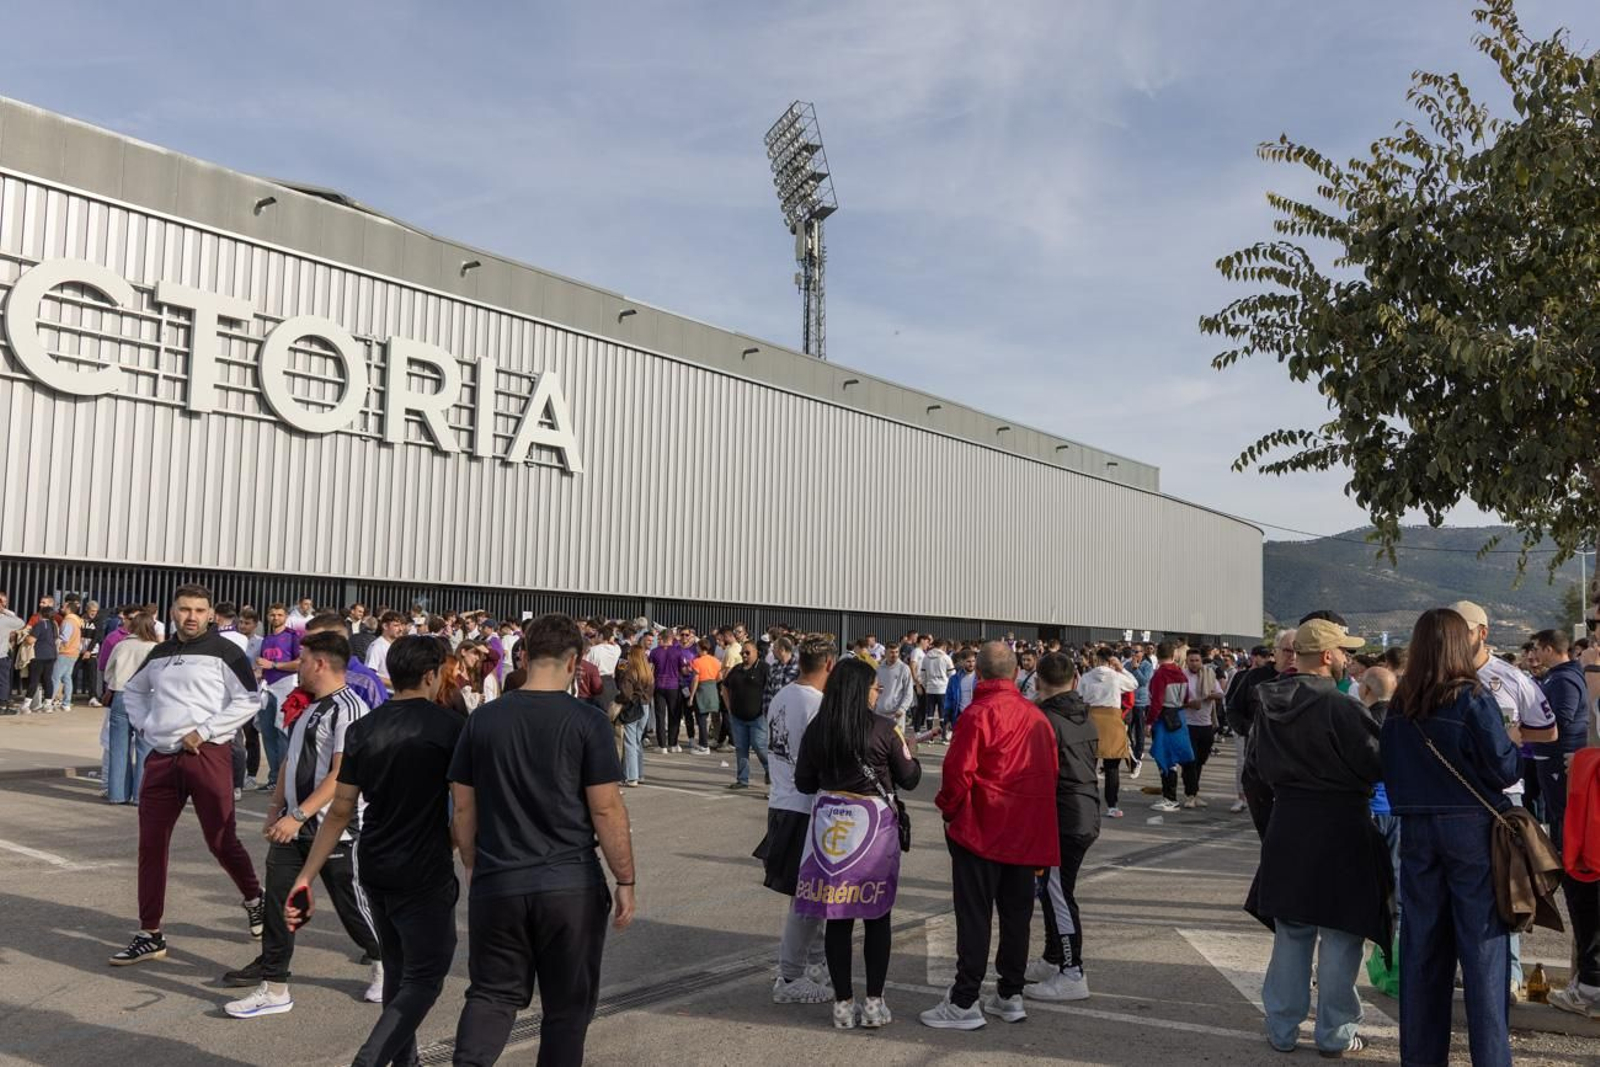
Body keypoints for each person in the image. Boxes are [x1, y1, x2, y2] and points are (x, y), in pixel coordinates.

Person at [448, 614, 636, 1066]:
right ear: (575, 662)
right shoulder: (586, 723)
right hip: (568, 884)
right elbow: (606, 808)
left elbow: (463, 806)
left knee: (492, 995)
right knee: (566, 1010)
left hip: (498, 881)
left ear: (525, 655)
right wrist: (624, 878)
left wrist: (472, 863)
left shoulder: (483, 721)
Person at [284, 636, 465, 1064]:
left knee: (400, 976)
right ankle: (371, 1059)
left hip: (375, 862)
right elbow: (465, 809)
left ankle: (406, 1062)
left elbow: (339, 810)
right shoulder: (451, 729)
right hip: (424, 867)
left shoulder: (364, 728)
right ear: (430, 674)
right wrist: (460, 847)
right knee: (427, 977)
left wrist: (306, 876)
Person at [1382, 608, 1520, 1067]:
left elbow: (1390, 768)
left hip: (1417, 827)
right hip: (1471, 830)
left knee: (1422, 948)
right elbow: (1503, 771)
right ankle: (1490, 1059)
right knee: (1483, 952)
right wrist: (1514, 742)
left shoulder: (1401, 704)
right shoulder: (1472, 698)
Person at [1244, 618, 1385, 1057]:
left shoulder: (1266, 703)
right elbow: (1377, 764)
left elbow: (1253, 772)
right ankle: (1336, 1033)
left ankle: (1282, 1028)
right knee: (1342, 934)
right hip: (1342, 823)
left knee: (1292, 930)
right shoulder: (1343, 708)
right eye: (1344, 651)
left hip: (1288, 821)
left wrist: (1271, 824)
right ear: (1327, 656)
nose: (1348, 659)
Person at [223, 630, 381, 1016]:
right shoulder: (309, 708)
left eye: (304, 659)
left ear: (321, 663)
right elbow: (291, 763)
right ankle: (275, 987)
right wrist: (275, 809)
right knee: (278, 902)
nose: (299, 666)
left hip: (333, 828)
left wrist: (299, 815)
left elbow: (342, 775)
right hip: (293, 826)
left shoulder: (351, 709)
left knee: (351, 905)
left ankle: (386, 961)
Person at [110, 584, 265, 966]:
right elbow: (133, 692)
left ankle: (255, 899)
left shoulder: (226, 651)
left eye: (199, 610)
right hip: (162, 758)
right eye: (184, 609)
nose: (191, 616)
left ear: (211, 614)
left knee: (220, 840)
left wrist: (207, 731)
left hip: (207, 755)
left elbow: (248, 698)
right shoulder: (160, 653)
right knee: (151, 845)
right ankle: (150, 933)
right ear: (172, 612)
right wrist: (148, 726)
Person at [922, 641, 1059, 1030]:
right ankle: (1009, 993)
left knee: (975, 915)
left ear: (977, 673)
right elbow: (1050, 772)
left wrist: (950, 812)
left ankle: (965, 999)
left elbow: (957, 774)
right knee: (1018, 916)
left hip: (982, 828)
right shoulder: (1036, 718)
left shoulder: (978, 714)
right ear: (1016, 673)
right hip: (1027, 830)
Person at [793, 657, 921, 1029]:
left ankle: (843, 1004)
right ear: (858, 689)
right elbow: (909, 778)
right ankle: (875, 1002)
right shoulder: (884, 729)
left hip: (832, 829)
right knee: (877, 913)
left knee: (838, 916)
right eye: (873, 684)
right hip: (874, 829)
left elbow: (803, 782)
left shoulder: (818, 729)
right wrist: (910, 750)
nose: (878, 689)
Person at [763, 635, 838, 1005]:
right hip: (804, 804)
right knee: (807, 896)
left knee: (812, 895)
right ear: (829, 665)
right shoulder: (817, 704)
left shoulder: (783, 695)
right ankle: (790, 976)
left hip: (782, 799)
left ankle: (814, 962)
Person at [1024, 652, 1100, 1001]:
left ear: (1037, 681)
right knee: (1054, 890)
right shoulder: (1084, 715)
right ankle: (1054, 957)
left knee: (1057, 895)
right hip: (1084, 811)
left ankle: (1073, 971)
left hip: (1063, 817)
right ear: (1075, 680)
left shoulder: (1042, 720)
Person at [103, 613, 159, 805]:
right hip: (145, 697)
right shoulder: (154, 648)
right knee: (145, 747)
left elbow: (107, 672)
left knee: (118, 747)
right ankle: (140, 795)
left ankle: (117, 794)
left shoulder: (121, 645)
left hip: (120, 694)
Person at [1076, 647, 1137, 818]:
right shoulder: (1116, 677)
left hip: (1091, 719)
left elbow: (1079, 695)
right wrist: (1121, 668)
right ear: (1112, 660)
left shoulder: (1087, 677)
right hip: (1112, 720)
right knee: (1112, 768)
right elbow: (1134, 684)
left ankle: (1087, 804)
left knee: (1089, 767)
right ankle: (1112, 805)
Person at [1224, 644, 1276, 814]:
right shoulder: (1241, 676)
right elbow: (1230, 701)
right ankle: (1240, 797)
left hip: (1265, 730)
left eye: (1268, 656)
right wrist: (1242, 727)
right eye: (1263, 656)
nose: (1266, 659)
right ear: (1254, 657)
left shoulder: (1272, 676)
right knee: (1242, 763)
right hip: (1245, 728)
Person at [256, 604, 302, 792]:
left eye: (279, 614)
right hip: (267, 688)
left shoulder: (292, 636)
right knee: (267, 734)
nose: (276, 617)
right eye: (272, 614)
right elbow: (264, 665)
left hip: (286, 687)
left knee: (283, 735)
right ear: (267, 617)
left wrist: (273, 665)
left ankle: (284, 779)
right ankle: (274, 778)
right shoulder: (266, 639)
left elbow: (299, 663)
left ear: (285, 617)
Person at [1145, 643, 1192, 813]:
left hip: (1164, 718)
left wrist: (1149, 722)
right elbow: (1187, 697)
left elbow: (1156, 702)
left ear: (1157, 655)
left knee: (1164, 757)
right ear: (1174, 655)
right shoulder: (1181, 673)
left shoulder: (1160, 675)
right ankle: (1170, 796)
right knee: (1173, 758)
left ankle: (1170, 798)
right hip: (1179, 716)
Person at [723, 641, 770, 790]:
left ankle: (771, 772)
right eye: (742, 653)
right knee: (741, 748)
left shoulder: (764, 669)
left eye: (747, 652)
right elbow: (724, 686)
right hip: (738, 717)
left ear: (756, 652)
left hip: (758, 717)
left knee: (759, 746)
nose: (744, 655)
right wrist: (729, 707)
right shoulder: (736, 669)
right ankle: (742, 780)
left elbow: (772, 689)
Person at [1179, 647, 1223, 808]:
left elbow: (1220, 694)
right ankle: (1190, 794)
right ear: (1187, 661)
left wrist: (1207, 695)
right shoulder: (1181, 676)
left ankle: (1194, 792)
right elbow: (1174, 700)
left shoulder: (1209, 675)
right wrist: (1189, 704)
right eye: (1191, 660)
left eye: (1197, 660)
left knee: (1200, 760)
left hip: (1206, 724)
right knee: (1190, 760)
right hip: (1187, 724)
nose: (1195, 663)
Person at [615, 644, 654, 787]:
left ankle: (632, 776)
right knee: (637, 740)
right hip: (645, 705)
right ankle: (639, 773)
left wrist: (618, 700)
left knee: (630, 742)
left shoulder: (630, 671)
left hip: (633, 706)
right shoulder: (648, 671)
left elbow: (626, 693)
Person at [1124, 644, 1154, 777]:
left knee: (1140, 732)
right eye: (1133, 651)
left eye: (1137, 651)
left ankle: (1137, 759)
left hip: (1141, 702)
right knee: (1127, 732)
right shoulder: (1126, 665)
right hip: (1128, 703)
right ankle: (1133, 756)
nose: (1135, 654)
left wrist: (1136, 669)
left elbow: (1143, 681)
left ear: (1142, 653)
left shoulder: (1147, 665)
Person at [687, 639, 721, 755]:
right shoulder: (715, 661)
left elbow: (695, 679)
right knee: (707, 718)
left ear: (700, 648)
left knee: (701, 719)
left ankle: (704, 745)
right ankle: (703, 742)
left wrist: (691, 696)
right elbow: (719, 676)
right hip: (712, 688)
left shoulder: (696, 661)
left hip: (701, 689)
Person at [874, 645, 917, 733]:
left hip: (896, 714)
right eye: (892, 652)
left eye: (896, 652)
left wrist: (902, 709)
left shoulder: (904, 669)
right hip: (880, 712)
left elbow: (908, 692)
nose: (895, 655)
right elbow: (876, 688)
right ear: (885, 653)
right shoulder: (879, 669)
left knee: (896, 742)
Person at [919, 638, 955, 736]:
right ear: (943, 646)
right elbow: (952, 674)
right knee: (942, 713)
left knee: (929, 713)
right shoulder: (946, 658)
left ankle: (929, 736)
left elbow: (923, 674)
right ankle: (943, 736)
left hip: (930, 689)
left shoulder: (926, 657)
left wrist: (926, 686)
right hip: (943, 689)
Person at [365, 610, 407, 689]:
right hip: (385, 694)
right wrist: (396, 684)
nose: (401, 629)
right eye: (396, 625)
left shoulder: (399, 646)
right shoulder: (377, 646)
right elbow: (370, 675)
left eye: (401, 625)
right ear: (385, 626)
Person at [0, 591, 24, 711]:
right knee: (3, 681)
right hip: (2, 654)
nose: (3, 604)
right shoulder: (6, 618)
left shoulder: (7, 618)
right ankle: (3, 705)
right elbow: (21, 623)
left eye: (4, 602)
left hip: (5, 651)